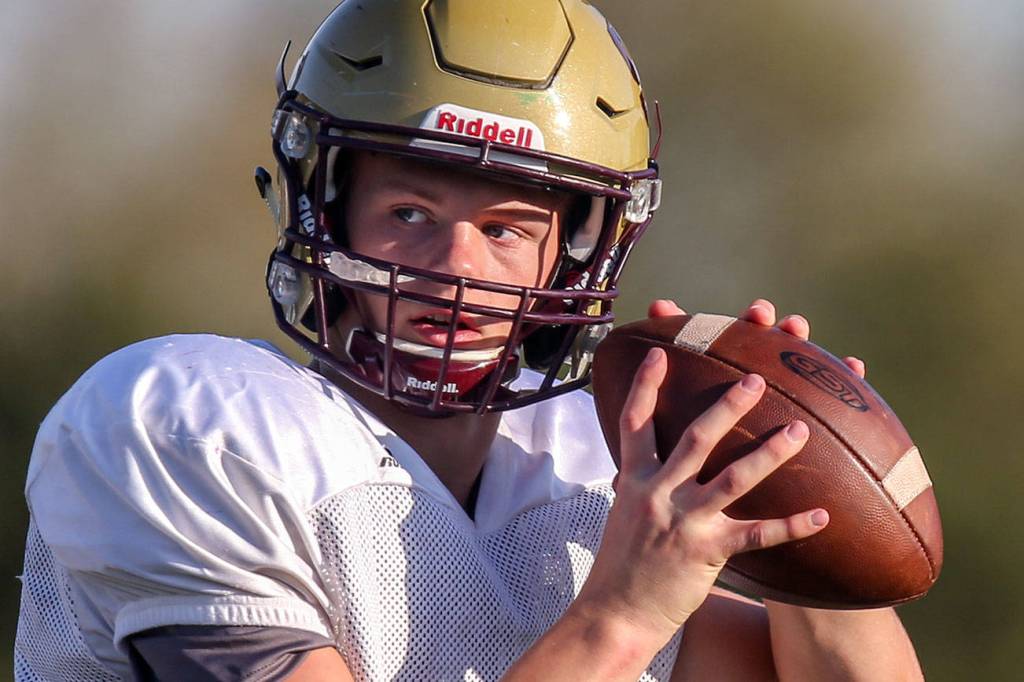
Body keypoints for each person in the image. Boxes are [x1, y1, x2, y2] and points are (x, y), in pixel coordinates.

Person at [15, 1, 924, 680]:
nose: (456, 265)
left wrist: (797, 496)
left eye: (505, 229)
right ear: (327, 213)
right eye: (410, 212)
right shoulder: (189, 431)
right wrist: (619, 619)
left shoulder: (589, 470)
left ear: (570, 259)